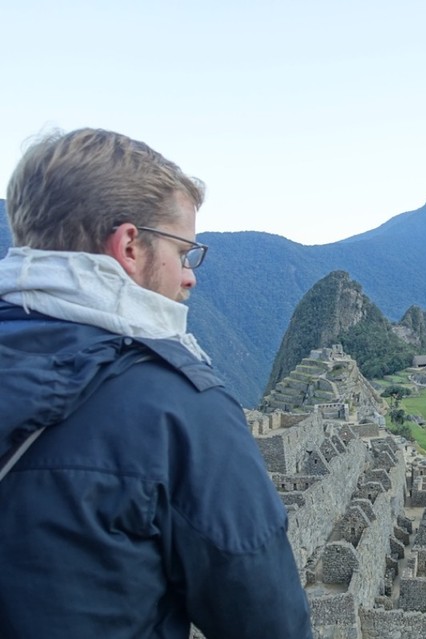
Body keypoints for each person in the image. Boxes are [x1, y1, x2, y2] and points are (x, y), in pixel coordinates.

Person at [0, 128, 313, 638]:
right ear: (128, 245)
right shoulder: (181, 412)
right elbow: (268, 620)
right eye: (184, 251)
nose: (190, 275)